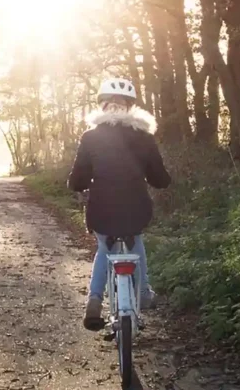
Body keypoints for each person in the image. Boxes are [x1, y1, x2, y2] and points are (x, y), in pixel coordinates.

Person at [67, 78, 171, 330]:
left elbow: (77, 179)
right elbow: (160, 178)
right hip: (136, 207)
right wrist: (157, 179)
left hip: (101, 208)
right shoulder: (144, 136)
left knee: (105, 246)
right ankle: (144, 292)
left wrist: (78, 185)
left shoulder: (90, 137)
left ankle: (94, 299)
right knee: (136, 239)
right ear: (130, 107)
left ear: (102, 106)